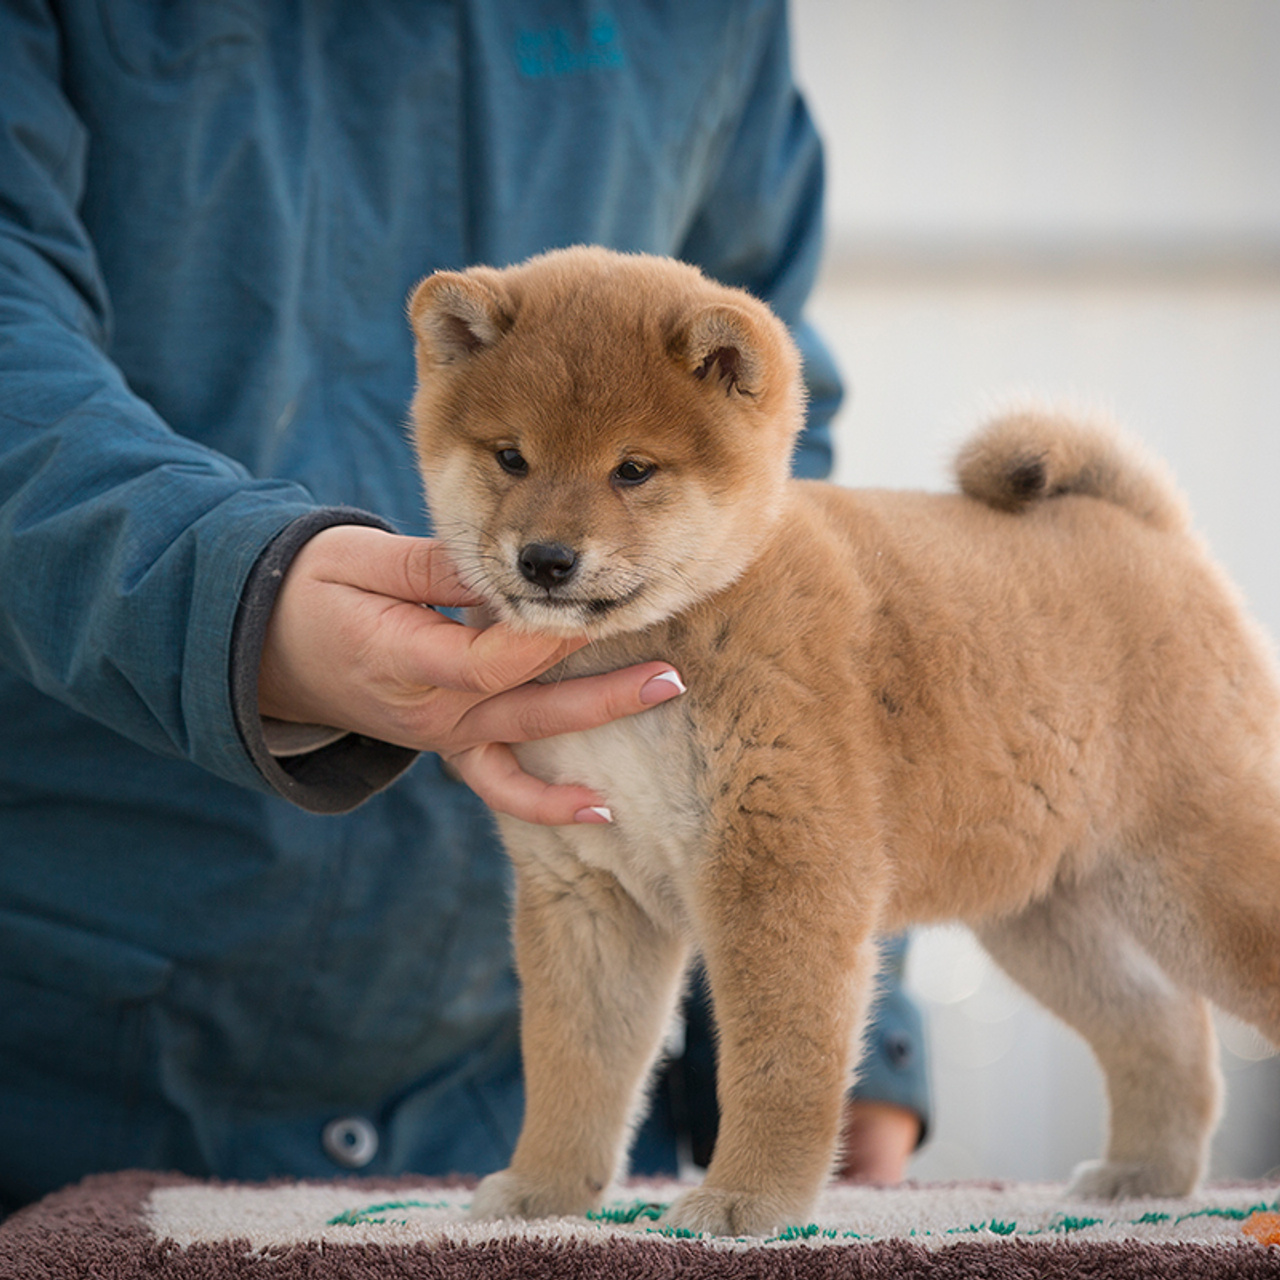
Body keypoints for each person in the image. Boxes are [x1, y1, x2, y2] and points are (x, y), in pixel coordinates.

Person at [0, 1, 927, 1213]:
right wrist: (231, 601)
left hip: (534, 1068)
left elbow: (766, 447)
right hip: (85, 1041)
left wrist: (853, 1012)